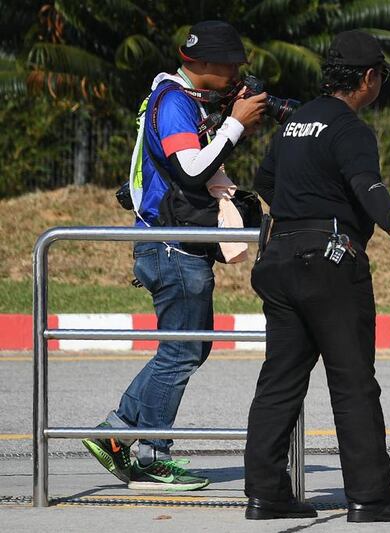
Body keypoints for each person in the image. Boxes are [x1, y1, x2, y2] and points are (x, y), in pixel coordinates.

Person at [244, 30, 390, 522]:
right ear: (369, 78)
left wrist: (301, 205)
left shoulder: (295, 123)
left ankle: (265, 494)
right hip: (330, 262)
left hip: (279, 259)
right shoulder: (350, 129)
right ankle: (370, 497)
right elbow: (366, 182)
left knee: (280, 380)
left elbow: (265, 182)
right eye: (381, 76)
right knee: (352, 384)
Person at [82, 21, 267, 491]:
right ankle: (141, 447)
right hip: (171, 246)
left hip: (170, 242)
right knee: (182, 351)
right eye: (228, 63)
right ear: (199, 64)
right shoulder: (176, 103)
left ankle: (125, 435)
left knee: (189, 347)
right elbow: (189, 169)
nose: (234, 70)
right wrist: (235, 126)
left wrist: (228, 115)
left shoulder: (175, 100)